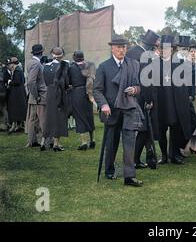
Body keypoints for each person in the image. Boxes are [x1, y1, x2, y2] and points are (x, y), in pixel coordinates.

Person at [93, 34, 144, 187]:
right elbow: (97, 90)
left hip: (128, 109)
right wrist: (103, 105)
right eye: (119, 47)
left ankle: (129, 176)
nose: (122, 50)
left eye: (124, 47)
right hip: (111, 110)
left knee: (129, 143)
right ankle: (109, 169)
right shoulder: (104, 66)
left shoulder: (133, 64)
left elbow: (139, 86)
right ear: (112, 48)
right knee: (112, 142)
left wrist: (134, 90)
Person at [149, 35, 194, 165]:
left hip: (175, 102)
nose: (165, 51)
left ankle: (174, 155)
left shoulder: (180, 64)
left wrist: (186, 98)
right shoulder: (155, 64)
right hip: (161, 101)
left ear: (172, 49)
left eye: (168, 48)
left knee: (175, 129)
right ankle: (163, 156)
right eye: (163, 48)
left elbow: (186, 83)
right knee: (162, 129)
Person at [126, 29, 160, 169]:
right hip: (141, 96)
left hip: (131, 93)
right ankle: (135, 159)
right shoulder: (145, 55)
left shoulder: (131, 52)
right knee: (143, 129)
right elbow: (146, 80)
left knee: (140, 129)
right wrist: (148, 99)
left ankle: (140, 157)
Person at [42, 47, 70, 151]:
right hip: (60, 92)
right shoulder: (64, 65)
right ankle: (56, 144)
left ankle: (47, 142)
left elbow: (45, 81)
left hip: (50, 92)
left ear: (52, 54)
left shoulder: (46, 66)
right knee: (59, 118)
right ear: (62, 55)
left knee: (50, 117)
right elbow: (67, 81)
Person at [68, 50, 96, 150]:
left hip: (77, 93)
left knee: (79, 117)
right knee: (89, 116)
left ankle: (84, 142)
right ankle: (93, 140)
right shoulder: (89, 65)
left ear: (74, 57)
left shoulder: (71, 67)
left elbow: (69, 81)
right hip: (88, 93)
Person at [25, 44, 47, 148]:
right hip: (39, 96)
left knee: (33, 119)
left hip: (35, 96)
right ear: (41, 53)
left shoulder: (30, 62)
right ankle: (44, 141)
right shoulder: (36, 64)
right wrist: (36, 95)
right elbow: (31, 82)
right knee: (42, 119)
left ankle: (32, 141)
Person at [5, 57, 27, 133]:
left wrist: (9, 82)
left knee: (16, 109)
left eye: (10, 64)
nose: (9, 65)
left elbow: (17, 82)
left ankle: (17, 126)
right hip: (19, 92)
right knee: (18, 109)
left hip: (17, 93)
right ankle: (18, 126)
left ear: (13, 64)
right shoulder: (19, 70)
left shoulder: (17, 71)